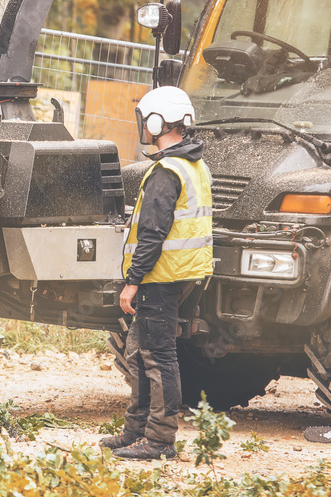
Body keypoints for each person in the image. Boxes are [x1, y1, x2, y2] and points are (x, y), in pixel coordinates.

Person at [100, 85, 213, 460]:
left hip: (159, 278)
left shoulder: (166, 171)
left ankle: (161, 440)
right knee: (138, 350)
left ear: (155, 122)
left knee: (158, 356)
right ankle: (137, 429)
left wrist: (132, 282)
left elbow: (152, 234)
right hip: (179, 275)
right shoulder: (195, 165)